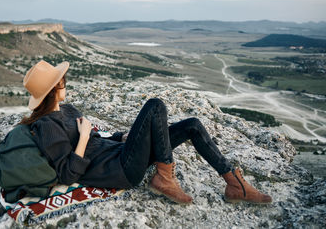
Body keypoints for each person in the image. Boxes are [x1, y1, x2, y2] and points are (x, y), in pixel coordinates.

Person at [20, 60, 272, 204]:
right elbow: (66, 173)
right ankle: (163, 178)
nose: (66, 81)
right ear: (55, 87)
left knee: (193, 124)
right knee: (154, 106)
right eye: (62, 80)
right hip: (118, 169)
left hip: (122, 151)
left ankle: (234, 184)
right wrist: (84, 137)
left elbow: (98, 140)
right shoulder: (46, 126)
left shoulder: (68, 109)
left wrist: (121, 137)